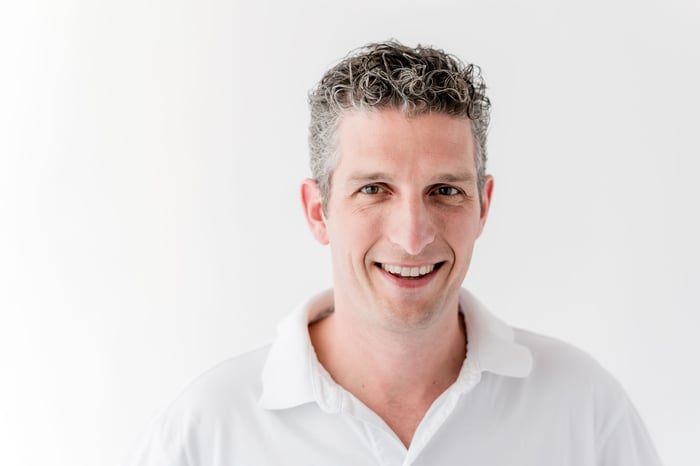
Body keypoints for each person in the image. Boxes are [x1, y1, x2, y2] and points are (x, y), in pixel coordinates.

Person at [127, 40, 662, 465]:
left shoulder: (582, 408)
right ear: (318, 212)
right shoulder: (208, 431)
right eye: (373, 189)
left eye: (445, 190)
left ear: (483, 206)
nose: (412, 236)